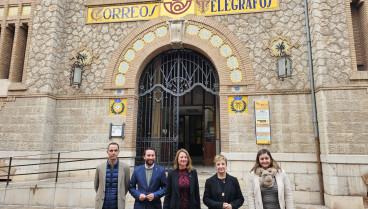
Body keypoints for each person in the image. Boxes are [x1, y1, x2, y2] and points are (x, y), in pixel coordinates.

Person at [94, 142, 130, 209]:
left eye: (115, 150)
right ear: (107, 152)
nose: (113, 153)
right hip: (102, 204)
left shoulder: (125, 167)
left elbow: (126, 186)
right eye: (111, 150)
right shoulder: (99, 167)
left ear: (118, 152)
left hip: (117, 205)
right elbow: (96, 185)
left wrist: (120, 196)